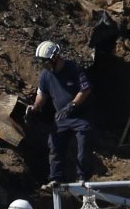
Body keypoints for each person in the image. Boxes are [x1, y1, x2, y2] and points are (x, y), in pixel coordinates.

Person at [27, 41, 93, 190]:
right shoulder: (45, 75)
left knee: (83, 145)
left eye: (46, 62)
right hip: (61, 118)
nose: (44, 65)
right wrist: (35, 108)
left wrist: (72, 105)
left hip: (80, 116)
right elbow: (42, 94)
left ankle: (83, 178)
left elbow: (85, 89)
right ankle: (55, 178)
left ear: (55, 57)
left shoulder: (73, 69)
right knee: (55, 146)